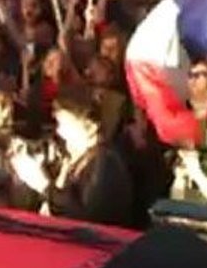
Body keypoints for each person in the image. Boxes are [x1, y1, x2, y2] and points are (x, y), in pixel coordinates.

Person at [9, 85, 133, 227]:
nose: (59, 132)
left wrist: (43, 185)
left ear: (90, 127)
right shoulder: (63, 156)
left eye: (65, 125)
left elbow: (86, 219)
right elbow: (24, 205)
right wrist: (22, 174)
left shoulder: (105, 163)